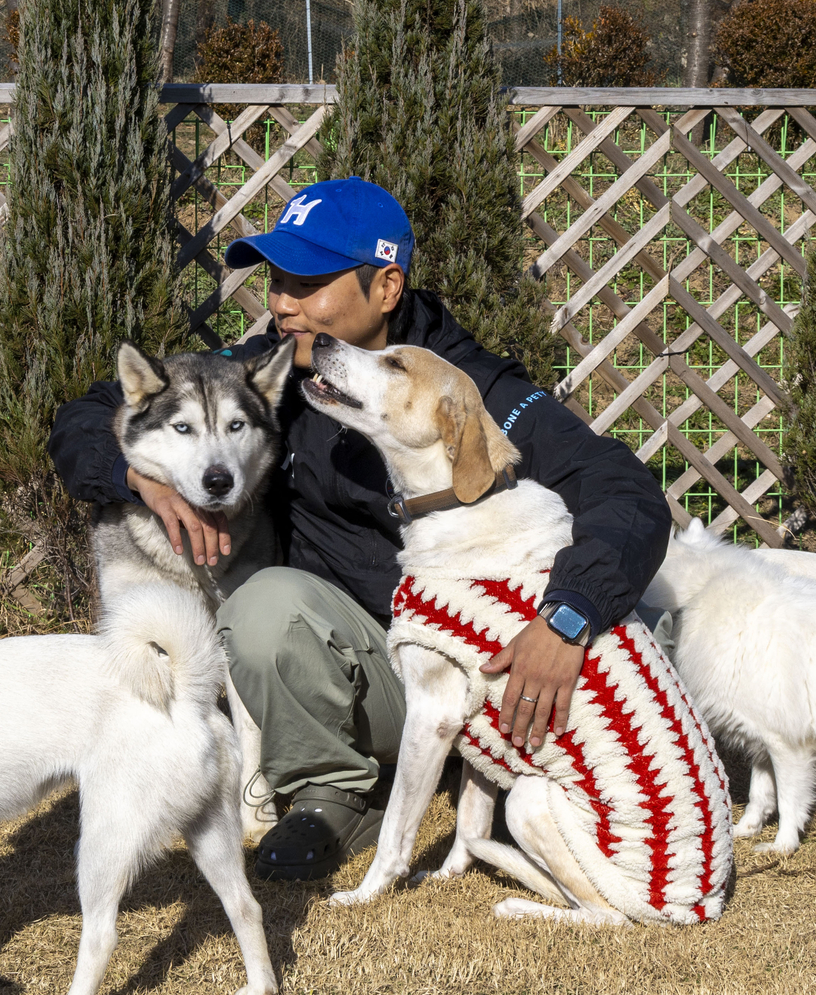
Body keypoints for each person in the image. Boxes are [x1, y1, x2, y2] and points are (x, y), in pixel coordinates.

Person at [47, 176, 672, 879]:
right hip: (363, 664)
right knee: (264, 608)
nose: (283, 303)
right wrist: (142, 479)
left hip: (476, 671)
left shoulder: (465, 389)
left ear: (386, 286)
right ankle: (332, 793)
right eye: (277, 280)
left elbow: (629, 495)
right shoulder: (269, 371)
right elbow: (90, 411)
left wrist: (569, 614)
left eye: (308, 282)